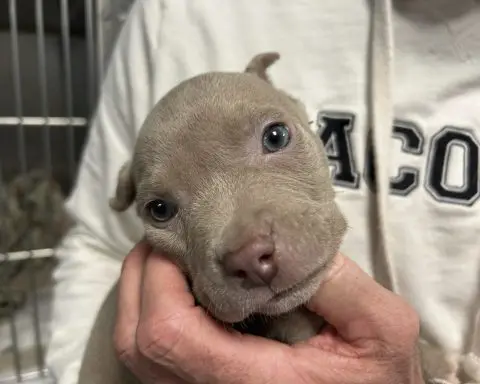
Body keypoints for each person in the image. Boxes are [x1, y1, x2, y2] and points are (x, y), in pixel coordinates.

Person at [45, 0, 480, 383]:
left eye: (274, 138)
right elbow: (97, 244)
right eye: (161, 208)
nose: (248, 251)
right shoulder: (170, 11)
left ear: (293, 104)